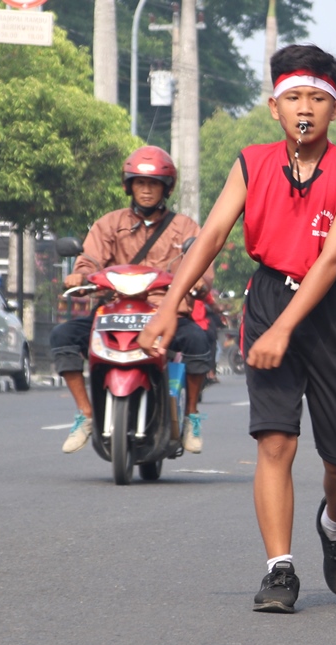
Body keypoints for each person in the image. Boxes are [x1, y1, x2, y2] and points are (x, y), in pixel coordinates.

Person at [139, 44, 336, 614]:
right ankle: (279, 569)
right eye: (293, 97)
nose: (305, 108)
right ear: (274, 106)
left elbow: (328, 261)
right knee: (275, 441)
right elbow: (214, 233)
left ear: (334, 109)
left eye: (318, 99)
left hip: (330, 310)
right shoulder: (251, 163)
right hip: (268, 297)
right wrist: (169, 306)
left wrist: (286, 331)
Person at [50, 146, 212, 455]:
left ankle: (191, 416)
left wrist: (199, 284)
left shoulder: (185, 228)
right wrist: (78, 276)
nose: (147, 190)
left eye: (154, 184)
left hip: (164, 314)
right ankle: (85, 414)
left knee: (199, 342)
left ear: (166, 188)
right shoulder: (109, 224)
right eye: (140, 183)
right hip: (113, 311)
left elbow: (201, 265)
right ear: (129, 186)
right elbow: (89, 260)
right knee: (62, 336)